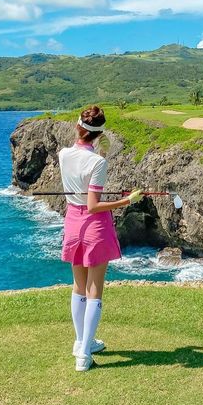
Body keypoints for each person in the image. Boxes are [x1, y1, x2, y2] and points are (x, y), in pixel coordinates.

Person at [58, 105, 142, 372]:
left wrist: (99, 150)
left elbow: (83, 164)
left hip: (72, 221)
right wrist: (127, 200)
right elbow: (93, 205)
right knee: (95, 289)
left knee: (78, 286)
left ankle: (82, 341)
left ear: (77, 126)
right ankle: (83, 354)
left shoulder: (63, 154)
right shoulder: (98, 162)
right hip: (94, 225)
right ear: (99, 133)